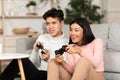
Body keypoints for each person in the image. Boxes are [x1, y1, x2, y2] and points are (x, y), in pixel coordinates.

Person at [0, 8, 68, 80]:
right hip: (38, 74)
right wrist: (35, 50)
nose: (50, 27)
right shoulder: (42, 38)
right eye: (48, 23)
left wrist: (48, 59)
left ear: (62, 23)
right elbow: (33, 64)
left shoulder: (67, 42)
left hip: (54, 76)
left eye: (54, 23)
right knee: (20, 60)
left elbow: (65, 69)